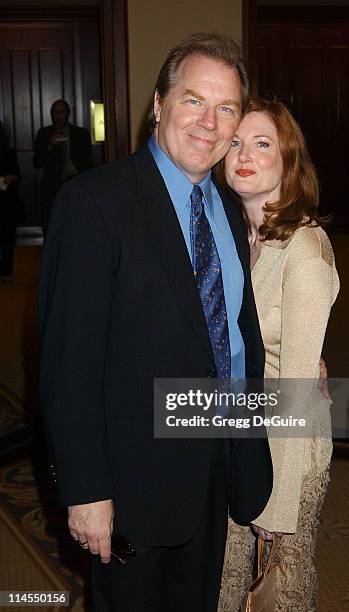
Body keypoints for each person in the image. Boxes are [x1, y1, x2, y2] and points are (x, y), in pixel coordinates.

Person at [39, 34, 273, 612]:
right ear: (159, 104)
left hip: (215, 471)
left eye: (227, 109)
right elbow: (69, 363)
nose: (210, 123)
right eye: (194, 100)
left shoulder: (228, 207)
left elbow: (234, 339)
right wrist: (88, 490)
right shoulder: (95, 203)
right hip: (130, 488)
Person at [218, 98, 340, 611]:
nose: (245, 154)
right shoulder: (232, 236)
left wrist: (276, 501)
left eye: (262, 143)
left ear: (288, 160)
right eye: (236, 143)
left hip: (287, 449)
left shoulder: (305, 252)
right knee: (224, 573)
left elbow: (295, 396)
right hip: (237, 425)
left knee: (278, 591)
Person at [33, 99, 92, 237]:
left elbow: (88, 163)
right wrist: (49, 145)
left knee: (76, 224)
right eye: (55, 113)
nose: (58, 116)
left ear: (68, 114)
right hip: (52, 186)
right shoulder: (44, 133)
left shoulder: (81, 134)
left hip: (76, 183)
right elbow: (36, 163)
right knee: (50, 225)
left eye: (62, 112)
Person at [0, 121, 20, 283]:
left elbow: (17, 174)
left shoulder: (9, 152)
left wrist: (11, 178)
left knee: (7, 237)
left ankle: (6, 271)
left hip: (6, 199)